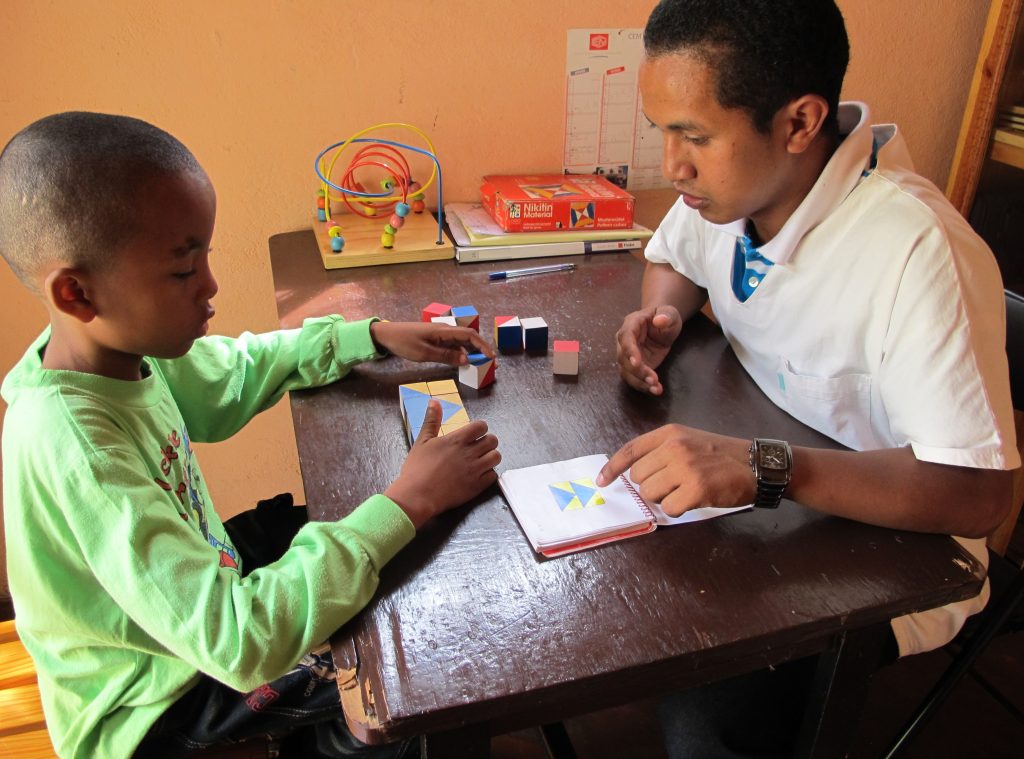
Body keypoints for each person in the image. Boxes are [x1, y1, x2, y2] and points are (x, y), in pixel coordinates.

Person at [0, 111, 501, 759]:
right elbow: (240, 640)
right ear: (77, 291)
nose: (211, 286)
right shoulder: (78, 446)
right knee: (399, 684)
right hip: (149, 710)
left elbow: (233, 372)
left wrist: (369, 335)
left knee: (349, 542)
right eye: (184, 270)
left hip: (191, 615)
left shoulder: (113, 351)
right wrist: (409, 500)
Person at [596, 0, 1019, 755]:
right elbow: (672, 259)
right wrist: (659, 317)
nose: (673, 165)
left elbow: (980, 494)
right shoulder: (728, 189)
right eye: (664, 130)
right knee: (619, 592)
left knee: (705, 703)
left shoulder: (917, 254)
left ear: (798, 123)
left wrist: (766, 466)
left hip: (898, 551)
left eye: (693, 135)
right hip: (772, 495)